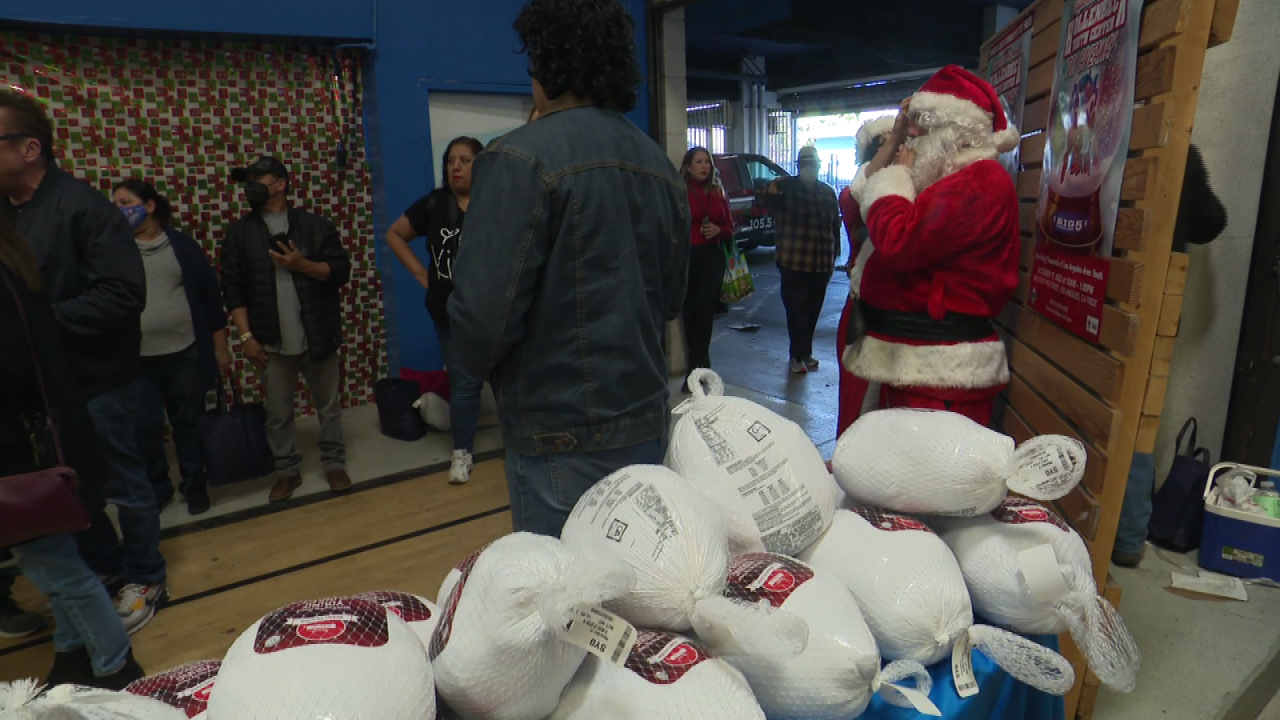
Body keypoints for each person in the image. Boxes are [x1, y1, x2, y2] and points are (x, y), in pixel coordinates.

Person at [448, 0, 690, 538]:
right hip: (646, 426)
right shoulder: (658, 165)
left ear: (545, 64)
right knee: (642, 599)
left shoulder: (517, 159)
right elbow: (671, 301)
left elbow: (481, 319)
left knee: (568, 609)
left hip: (558, 438)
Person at [0, 88, 169, 635]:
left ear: (29, 149)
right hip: (46, 392)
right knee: (78, 489)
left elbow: (123, 294)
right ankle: (105, 569)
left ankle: (146, 577)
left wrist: (37, 323)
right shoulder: (8, 213)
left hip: (100, 384)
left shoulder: (83, 208)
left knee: (123, 484)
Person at [0, 209, 145, 688]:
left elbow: (13, 368)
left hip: (22, 454)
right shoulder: (14, 263)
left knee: (60, 570)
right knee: (58, 562)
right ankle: (71, 654)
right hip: (41, 445)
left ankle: (115, 667)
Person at [845, 65, 1024, 426]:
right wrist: (894, 142)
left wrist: (895, 177)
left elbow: (899, 241)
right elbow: (855, 203)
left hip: (938, 372)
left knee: (927, 476)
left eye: (921, 125)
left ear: (954, 131)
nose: (912, 133)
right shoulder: (945, 177)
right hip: (913, 362)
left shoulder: (980, 180)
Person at [219, 156, 353, 503]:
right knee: (277, 414)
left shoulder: (315, 227)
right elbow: (232, 289)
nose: (250, 187)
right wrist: (246, 337)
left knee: (329, 406)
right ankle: (288, 472)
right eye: (247, 180)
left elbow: (340, 272)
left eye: (258, 179)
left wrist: (302, 264)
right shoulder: (239, 233)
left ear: (280, 184)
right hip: (270, 341)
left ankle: (334, 463)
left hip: (318, 334)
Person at [111, 179, 229, 516]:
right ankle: (158, 488)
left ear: (149, 206)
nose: (119, 209)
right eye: (116, 203)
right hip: (138, 360)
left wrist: (222, 349)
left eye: (125, 201)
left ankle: (195, 485)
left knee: (188, 424)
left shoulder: (183, 247)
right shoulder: (115, 250)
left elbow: (210, 300)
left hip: (185, 353)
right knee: (145, 428)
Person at [386, 137, 486, 484]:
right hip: (448, 311)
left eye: (465, 160)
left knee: (505, 378)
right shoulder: (434, 203)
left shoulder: (496, 203)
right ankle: (462, 452)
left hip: (492, 310)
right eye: (451, 160)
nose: (456, 166)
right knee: (462, 382)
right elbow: (395, 234)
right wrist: (419, 273)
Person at [756, 145, 841, 375]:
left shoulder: (827, 192)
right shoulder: (785, 187)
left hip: (821, 264)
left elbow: (835, 226)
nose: (808, 166)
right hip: (793, 262)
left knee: (813, 310)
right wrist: (769, 192)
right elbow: (762, 199)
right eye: (804, 162)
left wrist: (834, 257)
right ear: (797, 165)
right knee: (796, 311)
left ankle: (806, 352)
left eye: (812, 162)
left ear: (819, 165)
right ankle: (795, 356)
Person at [836, 116, 894, 436]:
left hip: (901, 318)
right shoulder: (853, 194)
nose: (898, 148)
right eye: (885, 143)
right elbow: (861, 192)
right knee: (861, 405)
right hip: (865, 315)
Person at [679, 146, 733, 390]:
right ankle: (702, 367)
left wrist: (719, 230)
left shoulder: (717, 190)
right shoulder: (680, 192)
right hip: (688, 256)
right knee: (689, 314)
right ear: (688, 166)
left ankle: (696, 372)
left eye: (707, 162)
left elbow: (731, 226)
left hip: (712, 256)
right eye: (699, 162)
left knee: (704, 313)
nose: (704, 166)